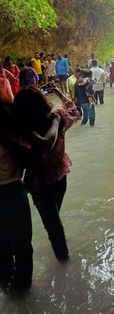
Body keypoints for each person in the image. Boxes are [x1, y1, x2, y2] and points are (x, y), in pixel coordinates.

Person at [13, 86, 79, 262]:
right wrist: (58, 92)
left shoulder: (22, 131)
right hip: (60, 176)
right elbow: (74, 110)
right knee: (55, 217)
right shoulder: (58, 117)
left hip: (39, 183)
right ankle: (63, 258)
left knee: (53, 225)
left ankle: (63, 259)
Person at [0, 95, 33, 293]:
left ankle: (5, 280)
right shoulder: (11, 132)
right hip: (12, 190)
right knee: (21, 242)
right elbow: (36, 147)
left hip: (11, 190)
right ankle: (22, 284)